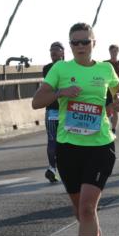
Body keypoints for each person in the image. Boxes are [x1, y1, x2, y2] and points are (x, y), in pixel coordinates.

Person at [32, 23, 119, 236]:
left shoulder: (105, 69)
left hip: (100, 146)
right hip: (69, 148)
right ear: (70, 45)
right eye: (75, 43)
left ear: (94, 42)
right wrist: (60, 92)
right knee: (79, 210)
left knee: (86, 207)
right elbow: (37, 102)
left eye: (85, 41)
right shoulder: (60, 69)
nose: (81, 46)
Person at [41, 41, 65, 183]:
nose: (53, 52)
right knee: (52, 139)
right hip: (52, 109)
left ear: (63, 52)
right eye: (51, 50)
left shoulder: (70, 67)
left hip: (67, 110)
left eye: (56, 50)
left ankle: (61, 167)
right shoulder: (47, 68)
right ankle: (52, 168)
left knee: (66, 140)